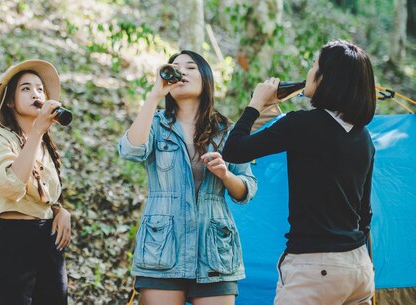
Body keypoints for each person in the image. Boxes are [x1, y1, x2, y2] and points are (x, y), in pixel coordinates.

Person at [222, 40, 376, 305]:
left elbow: (234, 151)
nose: (309, 72)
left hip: (315, 268)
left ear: (326, 78)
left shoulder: (302, 125)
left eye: (314, 65)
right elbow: (365, 213)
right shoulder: (365, 139)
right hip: (359, 268)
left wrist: (255, 105)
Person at [118, 50, 262, 305]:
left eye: (190, 67)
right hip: (162, 248)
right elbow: (131, 150)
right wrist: (154, 95)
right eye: (175, 67)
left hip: (215, 250)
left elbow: (246, 190)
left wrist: (225, 174)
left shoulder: (226, 131)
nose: (181, 71)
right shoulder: (155, 123)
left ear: (206, 78)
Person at [0, 60, 72, 305]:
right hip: (13, 242)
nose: (36, 94)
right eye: (26, 89)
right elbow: (11, 186)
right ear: (10, 101)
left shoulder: (45, 146)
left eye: (40, 89)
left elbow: (43, 195)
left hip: (48, 243)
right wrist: (38, 132)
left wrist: (58, 210)